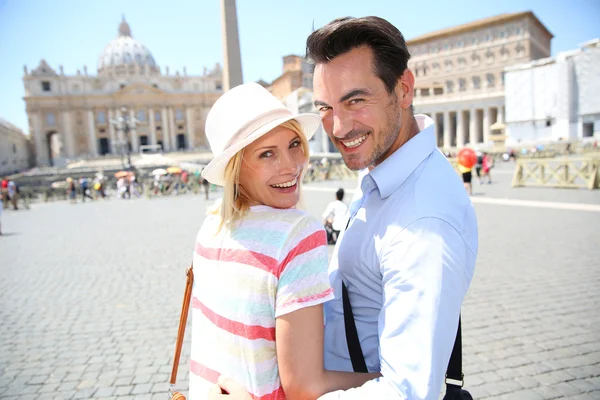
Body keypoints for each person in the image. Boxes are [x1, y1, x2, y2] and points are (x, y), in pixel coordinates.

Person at [212, 16, 477, 400]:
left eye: (355, 101)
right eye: (326, 106)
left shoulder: (423, 221)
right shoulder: (384, 163)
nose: (338, 127)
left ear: (403, 89)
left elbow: (408, 393)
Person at [190, 83, 379, 400]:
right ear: (236, 168)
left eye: (294, 144)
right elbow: (304, 387)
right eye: (267, 154)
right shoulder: (297, 233)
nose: (291, 165)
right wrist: (387, 380)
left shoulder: (211, 226)